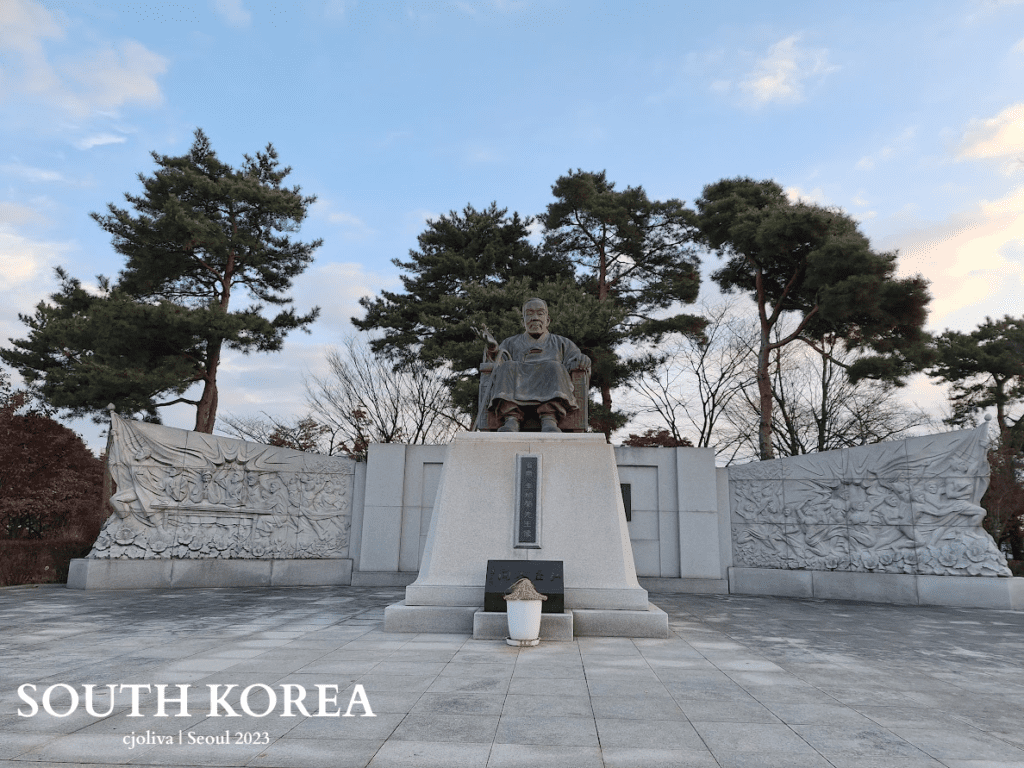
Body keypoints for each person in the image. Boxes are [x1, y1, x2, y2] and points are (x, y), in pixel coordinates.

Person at [477, 298, 590, 432]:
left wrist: (582, 360)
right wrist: (493, 350)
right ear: (523, 321)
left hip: (549, 380)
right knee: (507, 367)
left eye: (540, 313)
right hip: (517, 382)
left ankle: (549, 418)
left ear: (547, 320)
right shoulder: (510, 343)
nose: (535, 318)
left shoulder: (563, 343)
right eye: (530, 314)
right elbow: (496, 366)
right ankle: (511, 418)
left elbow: (575, 359)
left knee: (554, 367)